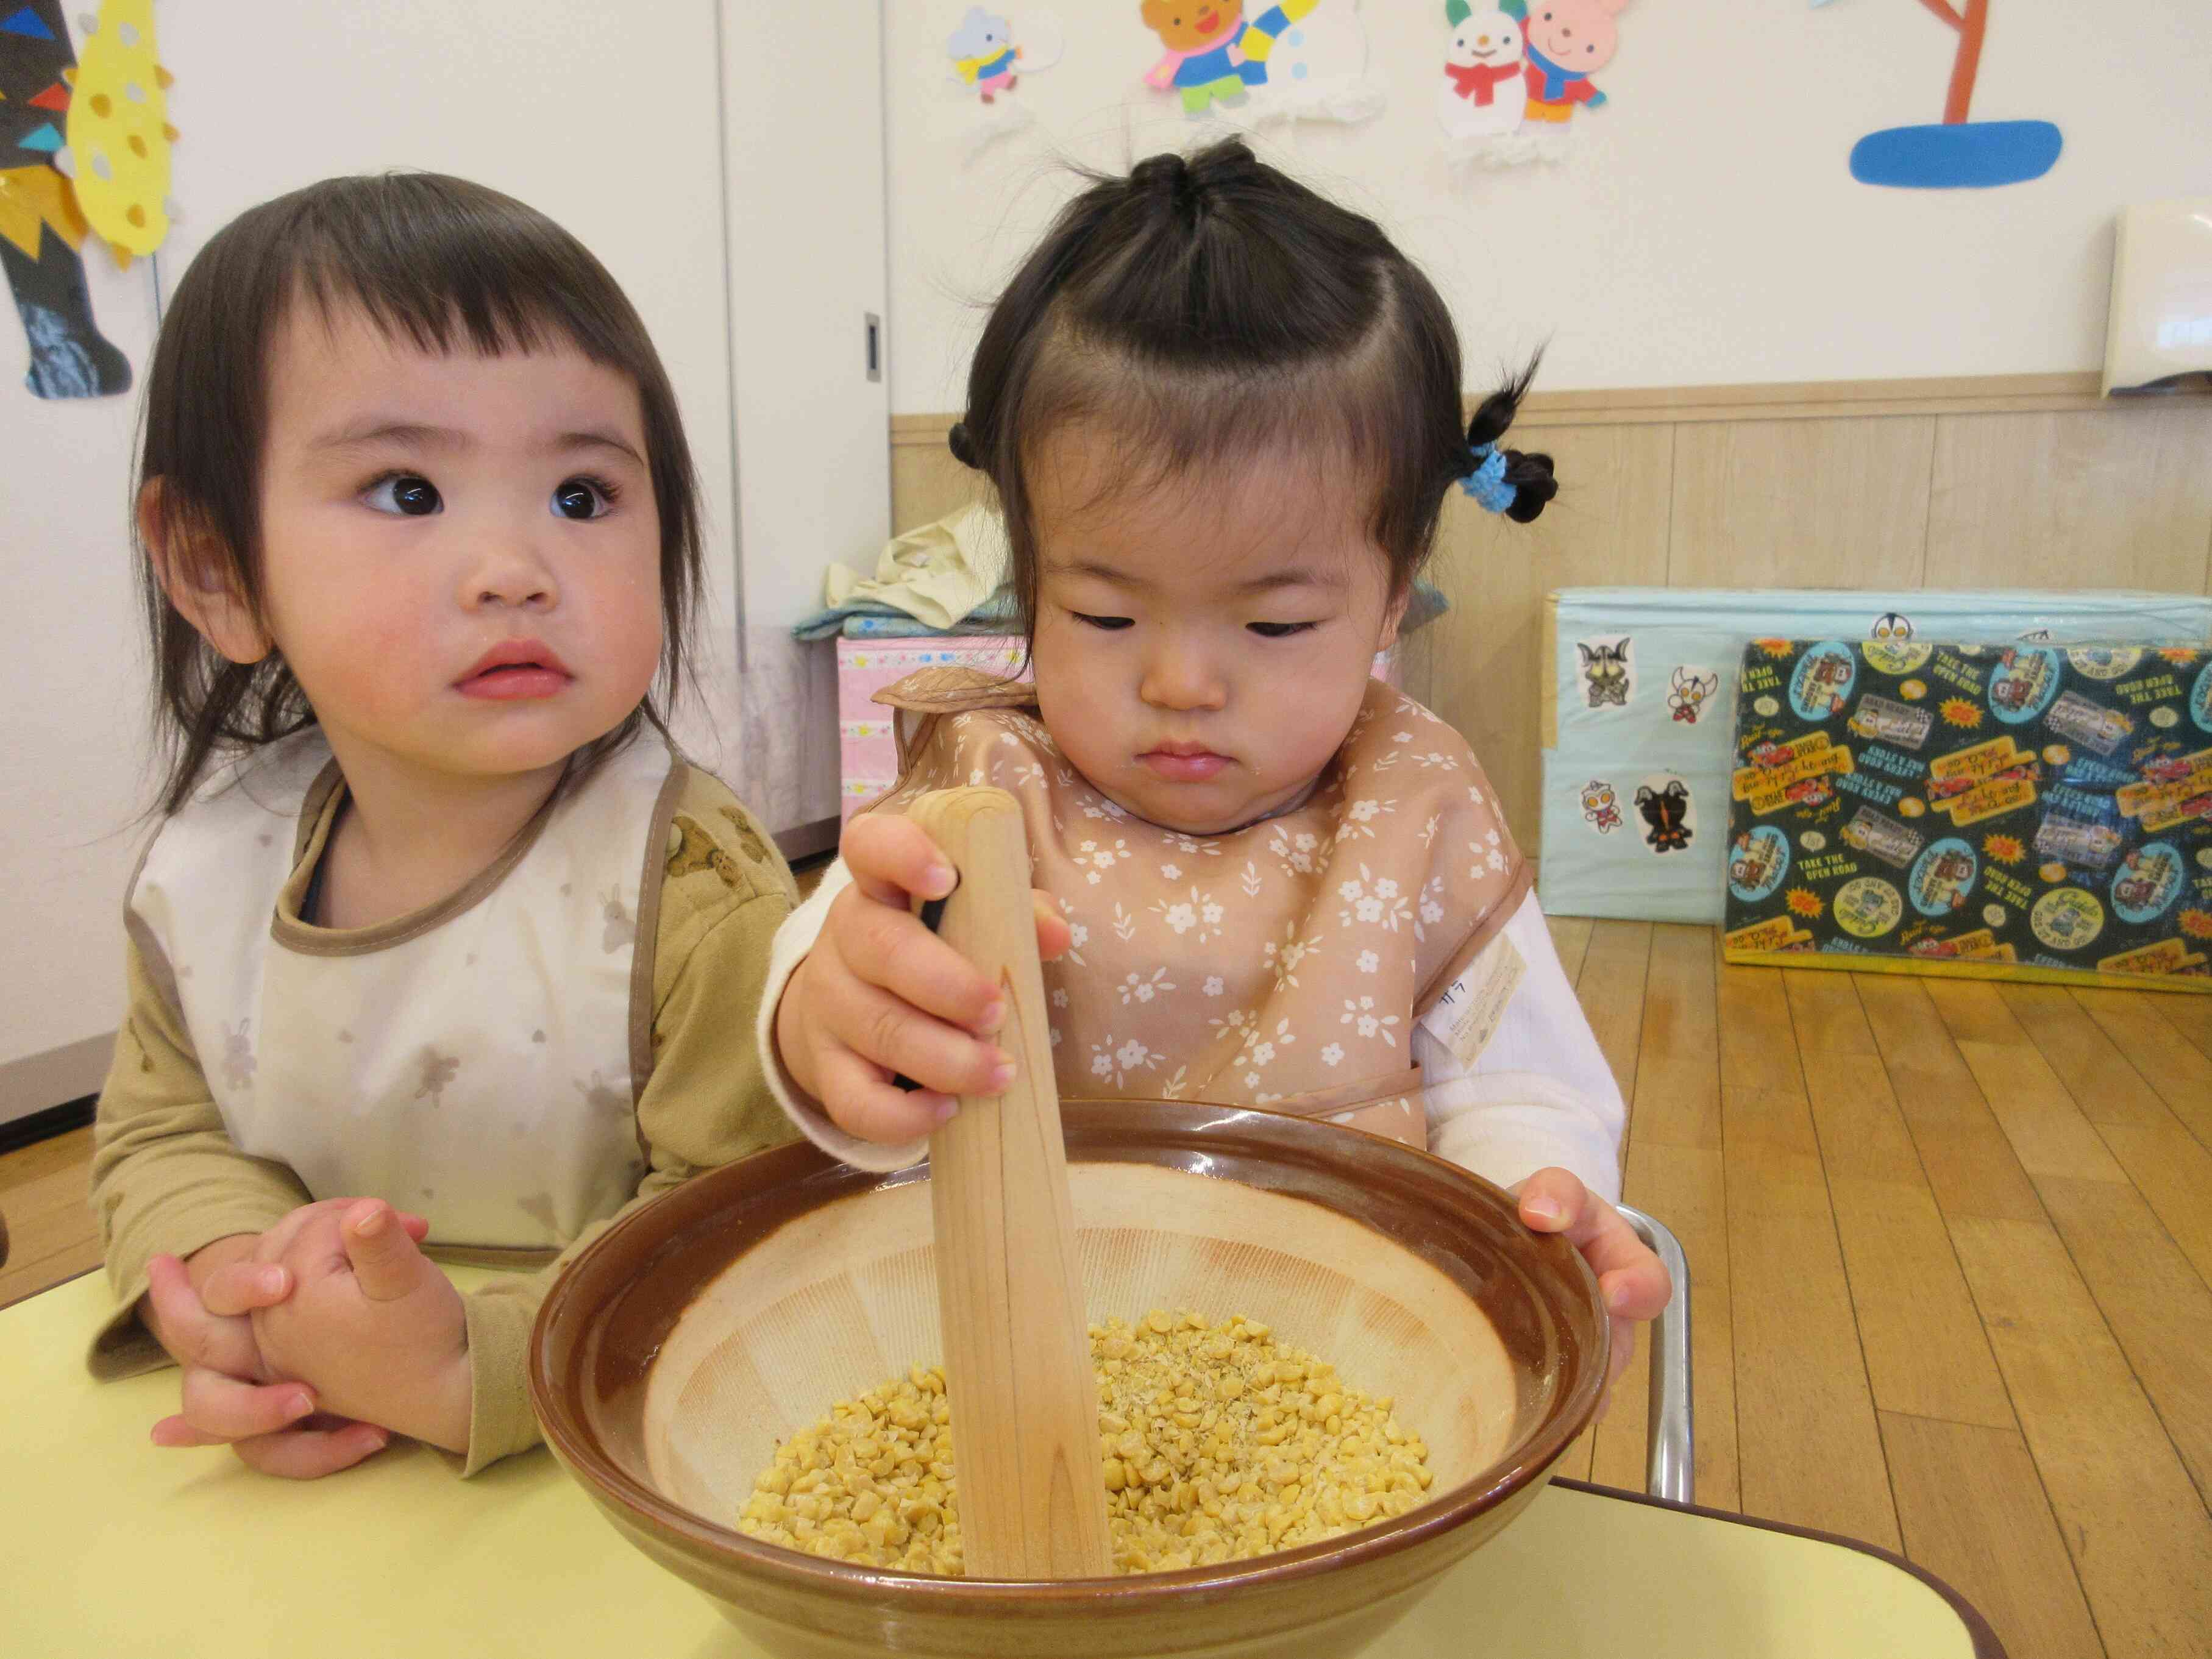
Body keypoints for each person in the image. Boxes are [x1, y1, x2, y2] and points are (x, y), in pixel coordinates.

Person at [764, 140, 1666, 1384]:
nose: (1182, 682)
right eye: (1107, 615)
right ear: (1031, 584)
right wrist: (830, 1011)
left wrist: (1533, 1191)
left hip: (1348, 1357)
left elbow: (1519, 1074)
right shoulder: (986, 790)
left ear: (1393, 598)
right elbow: (842, 971)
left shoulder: (1413, 797)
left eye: (1276, 625)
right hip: (1025, 1355)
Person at [89, 172, 795, 1477]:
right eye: (408, 490)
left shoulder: (696, 887)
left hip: (629, 1448)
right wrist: (244, 1283)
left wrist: (479, 1363)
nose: (515, 568)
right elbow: (161, 1128)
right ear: (214, 567)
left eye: (583, 496)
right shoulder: (212, 870)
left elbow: (748, 1214)